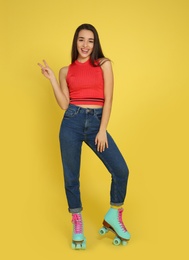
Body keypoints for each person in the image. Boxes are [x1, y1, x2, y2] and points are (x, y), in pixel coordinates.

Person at [38, 23, 131, 249]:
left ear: (95, 43)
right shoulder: (65, 71)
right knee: (72, 177)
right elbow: (63, 104)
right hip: (71, 121)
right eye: (81, 40)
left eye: (90, 40)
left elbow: (109, 98)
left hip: (96, 123)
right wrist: (51, 78)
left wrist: (102, 129)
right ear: (75, 41)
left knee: (121, 170)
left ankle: (113, 214)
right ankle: (77, 221)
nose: (85, 45)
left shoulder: (104, 64)